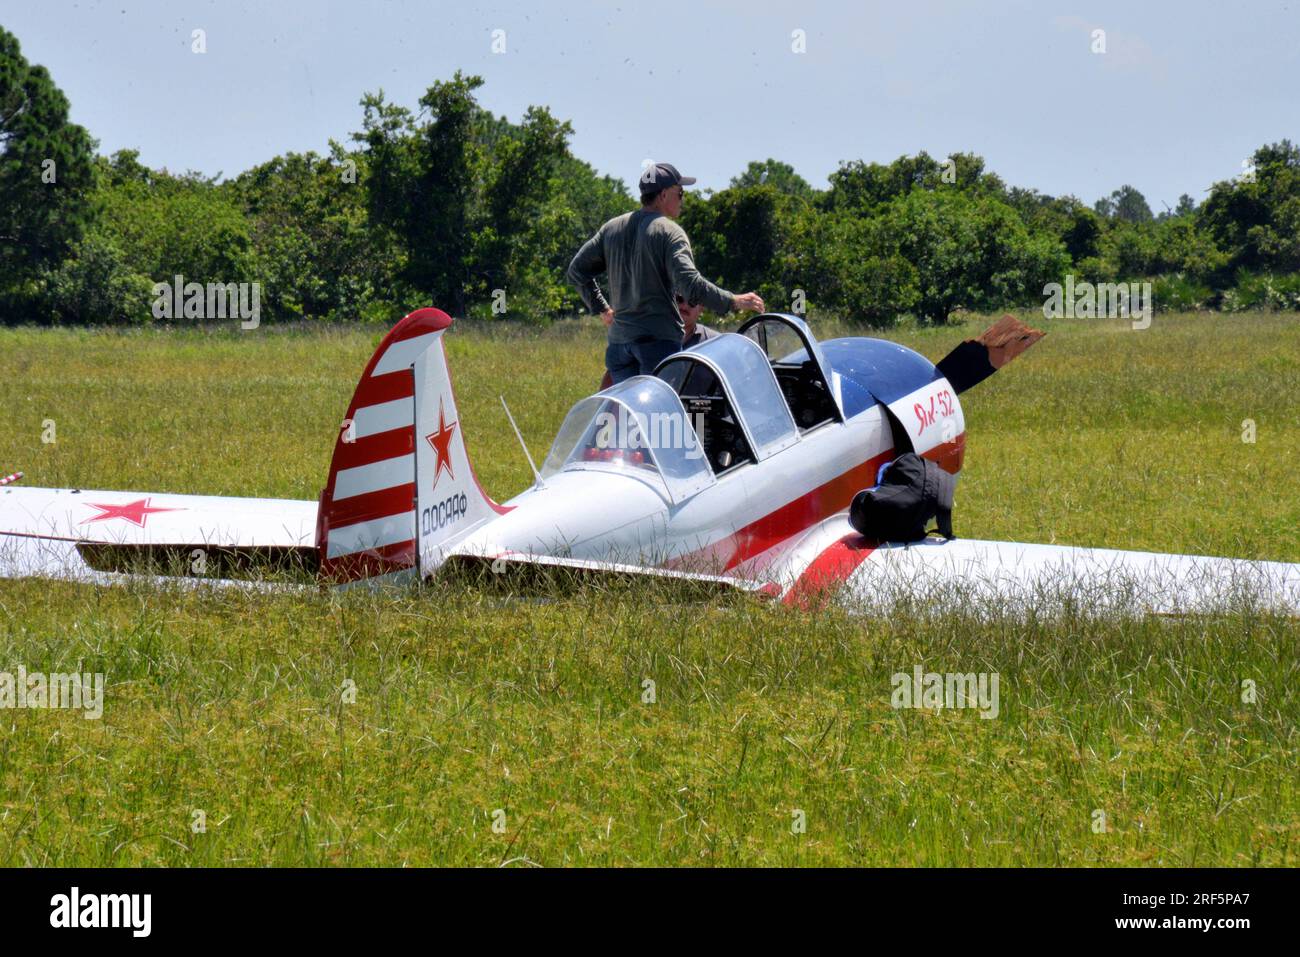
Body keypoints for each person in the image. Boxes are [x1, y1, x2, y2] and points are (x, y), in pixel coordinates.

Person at [567, 161, 764, 385]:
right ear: (663, 195)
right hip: (657, 345)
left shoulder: (612, 228)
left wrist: (602, 308)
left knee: (633, 417)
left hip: (619, 347)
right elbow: (689, 284)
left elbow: (577, 271)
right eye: (679, 192)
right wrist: (733, 301)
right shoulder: (670, 232)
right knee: (660, 415)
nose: (682, 198)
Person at [598, 294, 718, 390]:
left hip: (699, 419)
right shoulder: (639, 339)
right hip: (648, 416)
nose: (685, 305)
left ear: (701, 307)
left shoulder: (715, 343)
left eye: (692, 300)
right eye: (679, 299)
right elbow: (609, 389)